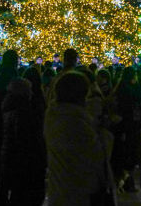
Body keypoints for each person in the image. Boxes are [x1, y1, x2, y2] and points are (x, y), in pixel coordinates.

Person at [45, 71, 109, 206]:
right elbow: (98, 155)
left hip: (57, 187)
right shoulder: (78, 122)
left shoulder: (52, 115)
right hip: (80, 190)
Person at [0, 72, 46, 205]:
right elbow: (27, 140)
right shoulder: (24, 113)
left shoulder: (8, 107)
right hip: (23, 162)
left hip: (8, 157)